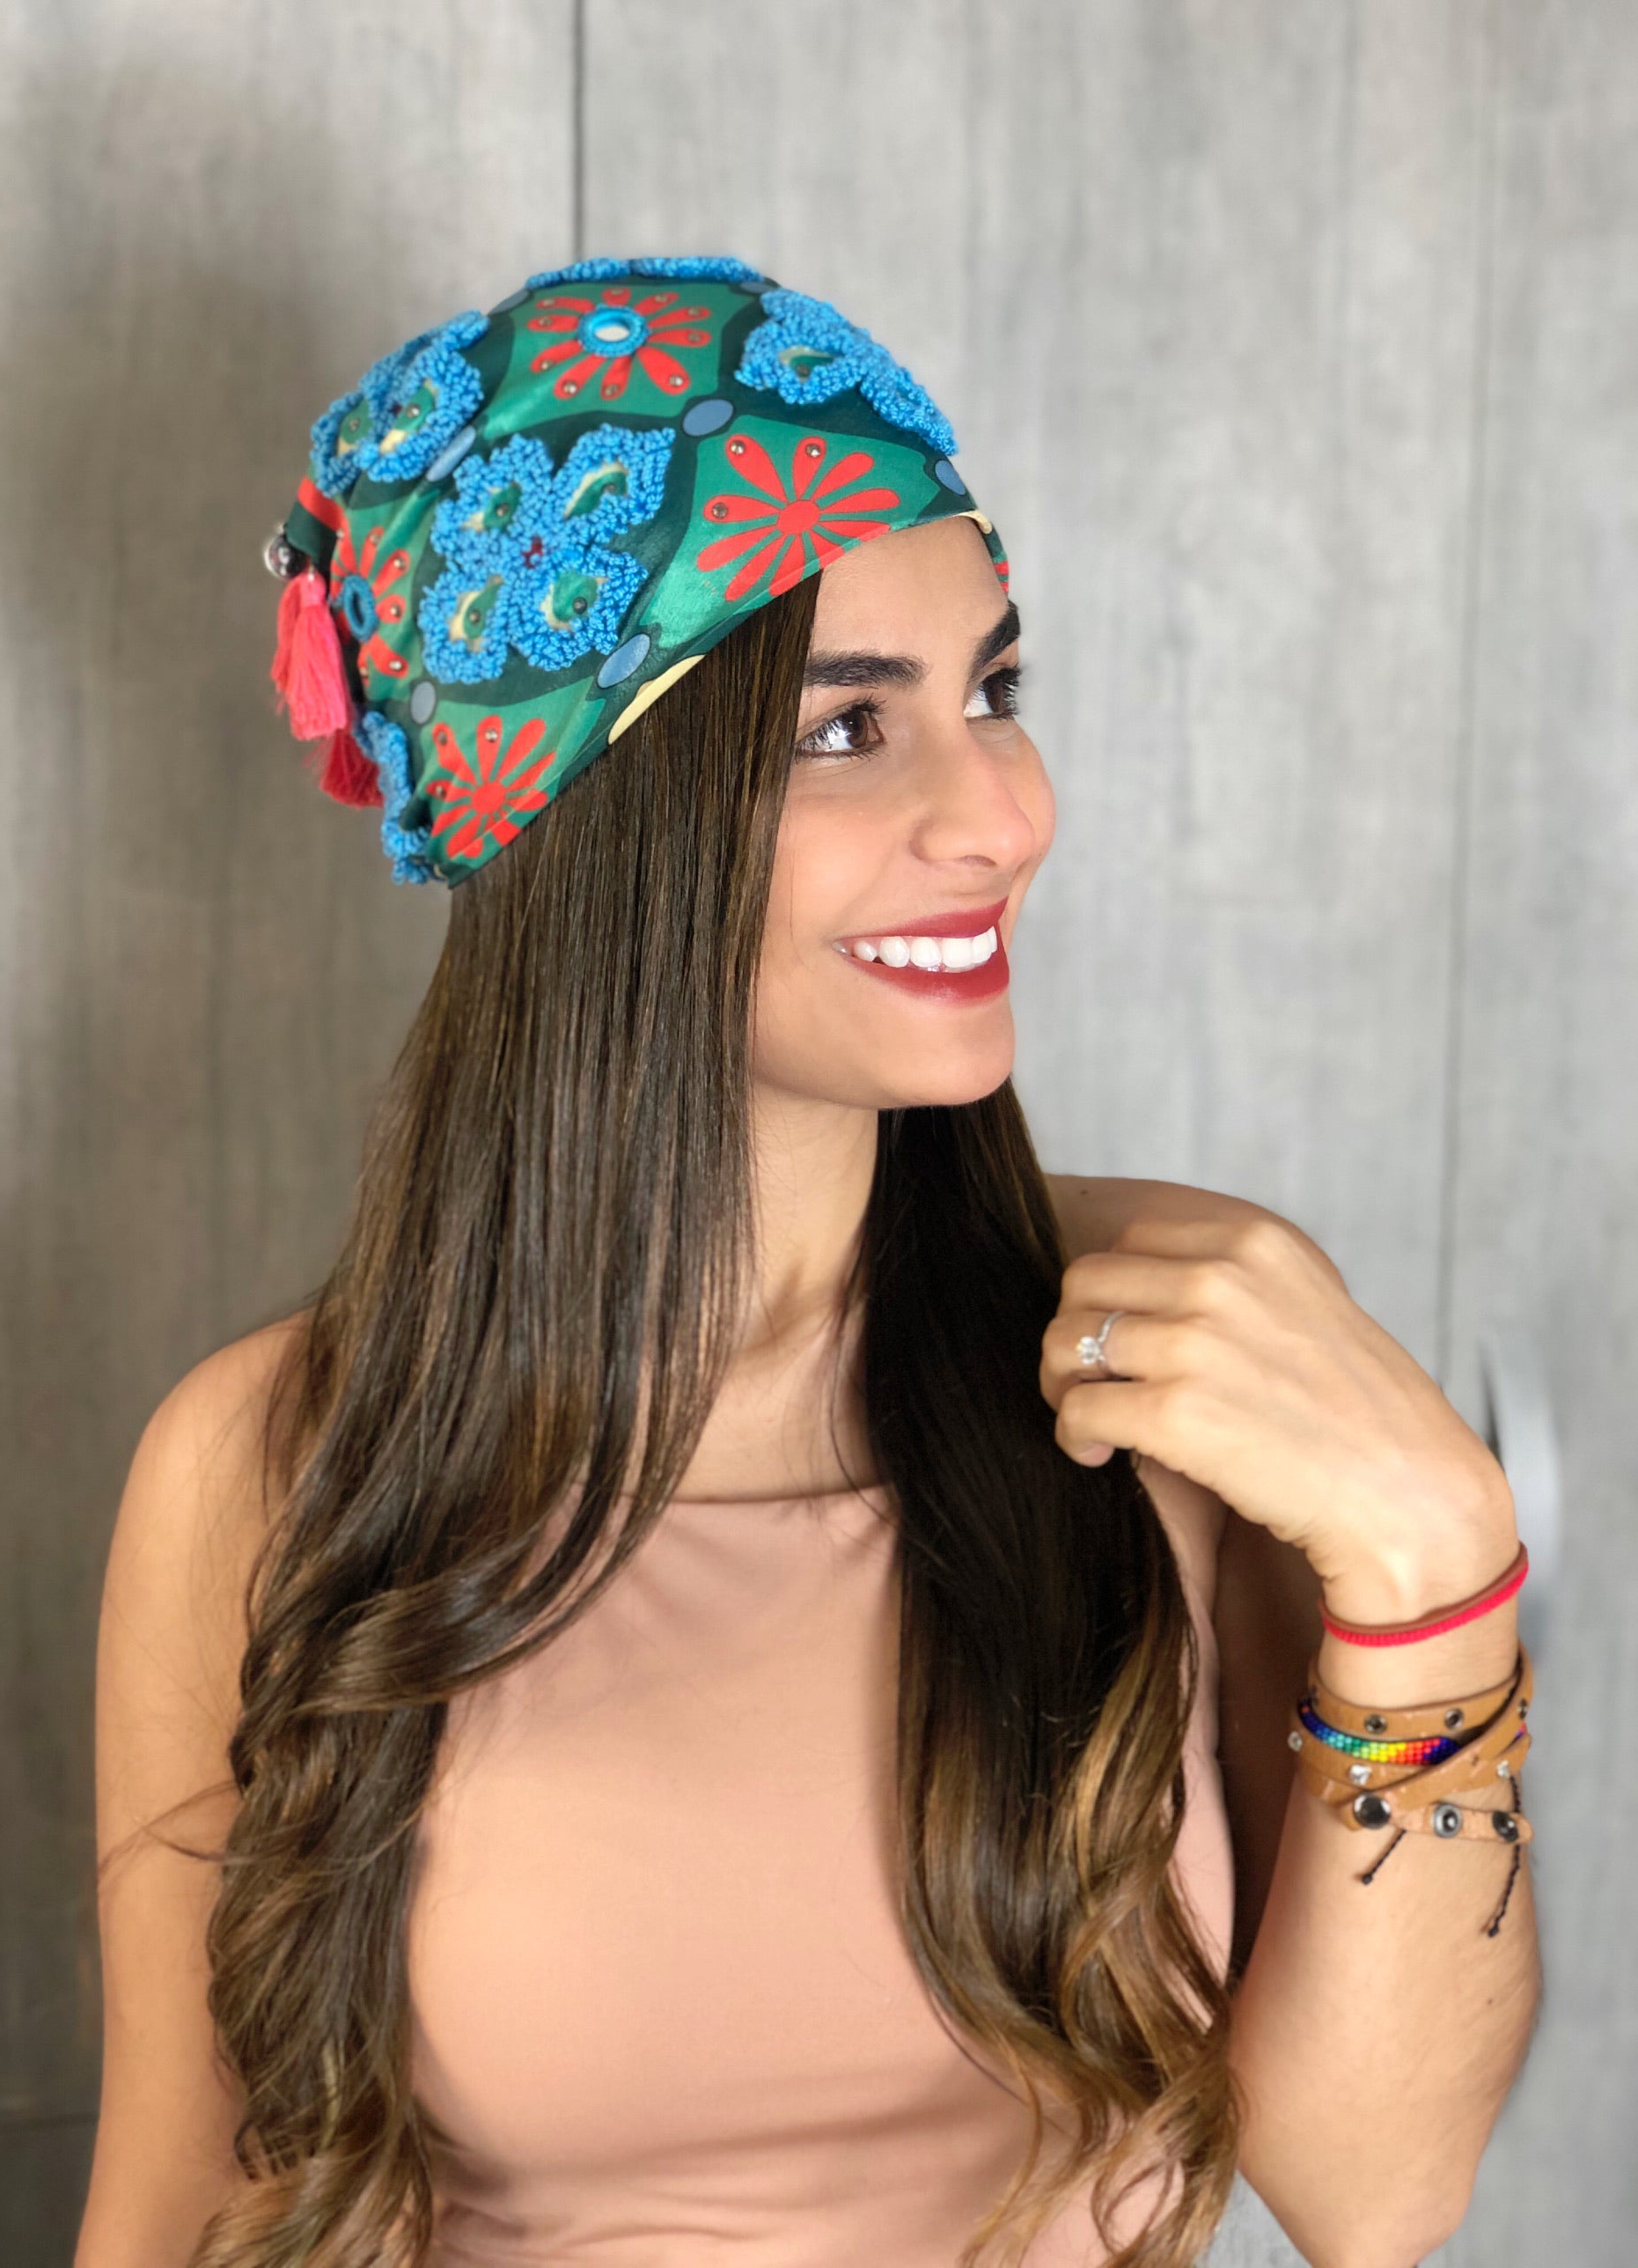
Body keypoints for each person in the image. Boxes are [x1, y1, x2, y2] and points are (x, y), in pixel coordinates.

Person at [79, 258, 1539, 2268]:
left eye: (995, 692)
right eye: (852, 726)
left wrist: (1440, 1568)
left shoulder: (1184, 1356)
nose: (1005, 814)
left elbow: (1380, 2192)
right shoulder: (272, 1464)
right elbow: (179, 2202)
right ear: (600, 822)